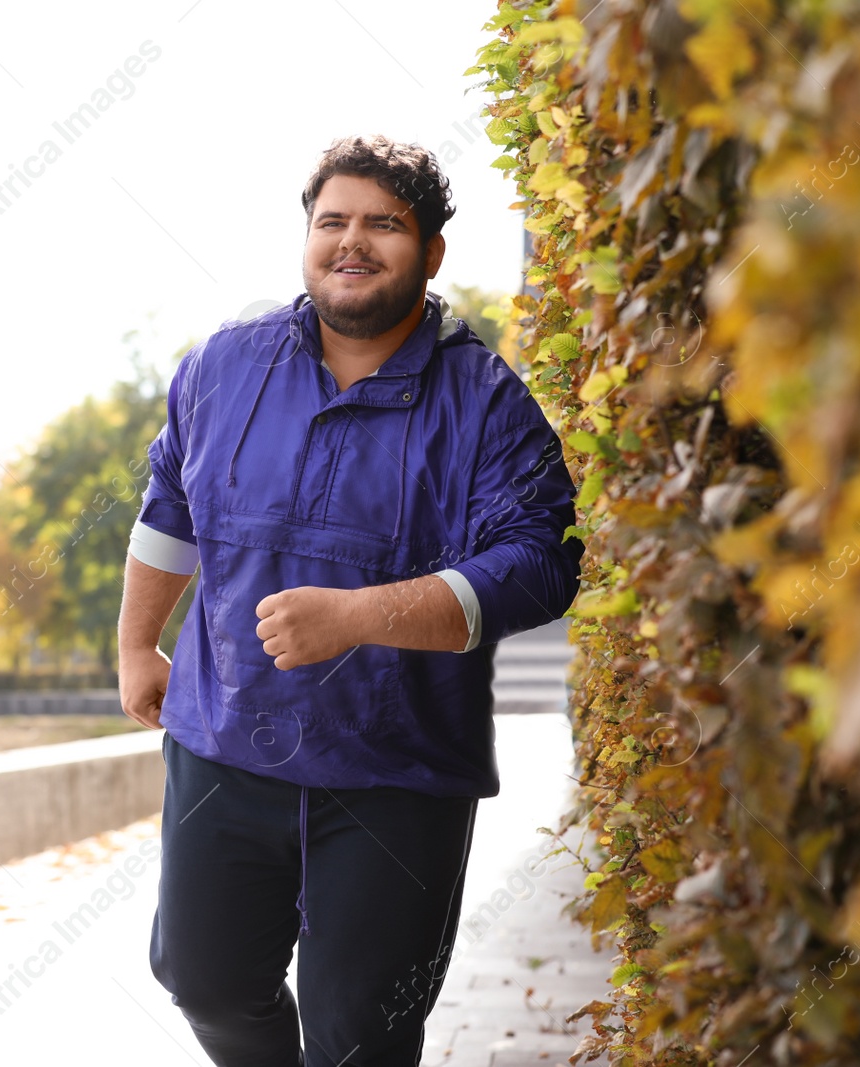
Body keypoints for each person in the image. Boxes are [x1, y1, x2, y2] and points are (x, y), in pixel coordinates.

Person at [117, 134, 584, 1067]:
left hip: (396, 773)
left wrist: (359, 616)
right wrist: (138, 644)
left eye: (385, 224)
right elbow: (169, 508)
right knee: (201, 975)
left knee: (359, 1031)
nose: (352, 242)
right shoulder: (220, 369)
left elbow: (542, 560)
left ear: (433, 252)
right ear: (307, 237)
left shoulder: (486, 401)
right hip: (223, 744)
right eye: (333, 221)